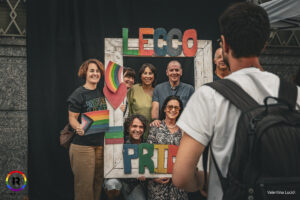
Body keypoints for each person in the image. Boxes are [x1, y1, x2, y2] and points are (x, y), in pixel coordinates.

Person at [172, 2, 300, 200]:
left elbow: (181, 177)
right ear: (265, 43)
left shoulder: (209, 96)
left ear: (224, 43)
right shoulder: (295, 94)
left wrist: (202, 181)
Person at [67, 58, 107, 200]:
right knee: (84, 188)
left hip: (100, 146)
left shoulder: (103, 93)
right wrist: (77, 127)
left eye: (97, 71)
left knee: (97, 185)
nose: (95, 73)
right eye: (92, 71)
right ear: (85, 73)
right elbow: (72, 118)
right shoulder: (79, 94)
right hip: (82, 146)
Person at [147, 95, 188, 200]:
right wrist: (154, 178)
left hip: (178, 186)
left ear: (180, 110)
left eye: (176, 108)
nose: (173, 110)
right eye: (170, 107)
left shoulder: (184, 131)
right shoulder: (155, 128)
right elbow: (148, 155)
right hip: (158, 185)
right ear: (164, 109)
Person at [103, 114, 148, 200]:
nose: (137, 130)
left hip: (133, 185)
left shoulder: (146, 144)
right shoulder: (119, 141)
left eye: (141, 127)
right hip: (119, 179)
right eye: (134, 126)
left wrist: (144, 174)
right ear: (128, 128)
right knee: (112, 184)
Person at [151, 60, 194, 126]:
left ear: (181, 72)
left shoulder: (189, 89)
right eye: (171, 70)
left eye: (177, 70)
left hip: (183, 126)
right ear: (167, 72)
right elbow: (155, 108)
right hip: (164, 127)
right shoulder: (159, 88)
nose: (174, 73)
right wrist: (155, 120)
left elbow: (192, 110)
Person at [128, 63, 157, 139]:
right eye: (145, 73)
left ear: (154, 76)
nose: (147, 76)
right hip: (135, 131)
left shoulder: (158, 91)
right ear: (141, 76)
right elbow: (127, 110)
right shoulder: (134, 89)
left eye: (150, 73)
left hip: (153, 133)